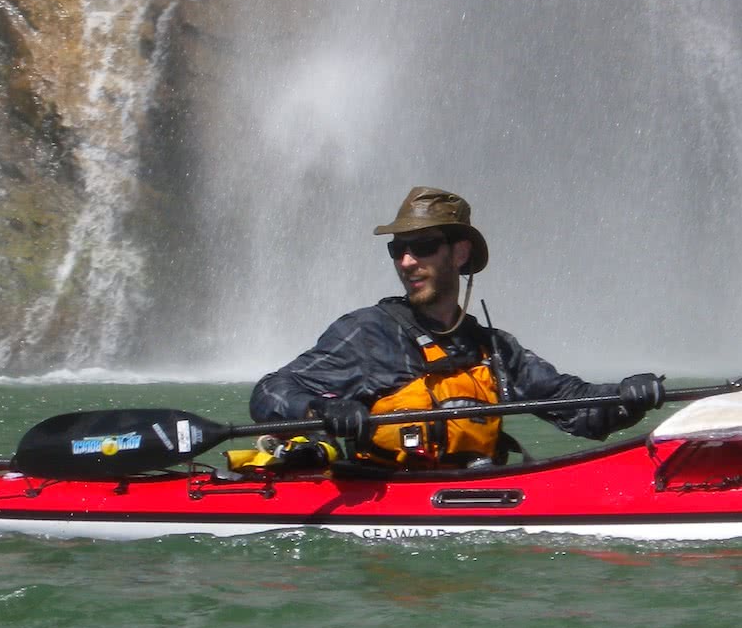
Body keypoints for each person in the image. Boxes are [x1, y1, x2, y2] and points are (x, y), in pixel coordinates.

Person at [249, 186, 664, 469]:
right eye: (399, 250)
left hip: (470, 499)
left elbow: (576, 408)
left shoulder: (493, 349)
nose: (408, 261)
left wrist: (629, 396)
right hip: (384, 505)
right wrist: (321, 410)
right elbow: (269, 391)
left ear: (459, 253)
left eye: (424, 246)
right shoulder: (368, 333)